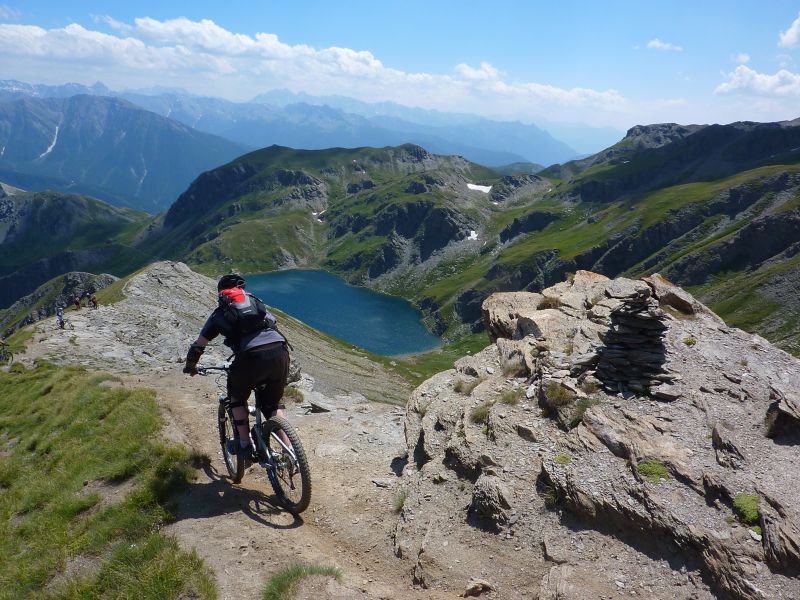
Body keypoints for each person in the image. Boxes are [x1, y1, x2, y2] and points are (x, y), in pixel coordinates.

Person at [183, 273, 290, 466]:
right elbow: (273, 325)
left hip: (249, 358)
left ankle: (245, 445)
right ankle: (289, 451)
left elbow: (199, 345)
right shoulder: (257, 304)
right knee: (272, 405)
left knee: (237, 399)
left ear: (221, 295)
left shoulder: (219, 314)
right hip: (279, 352)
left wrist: (191, 366)